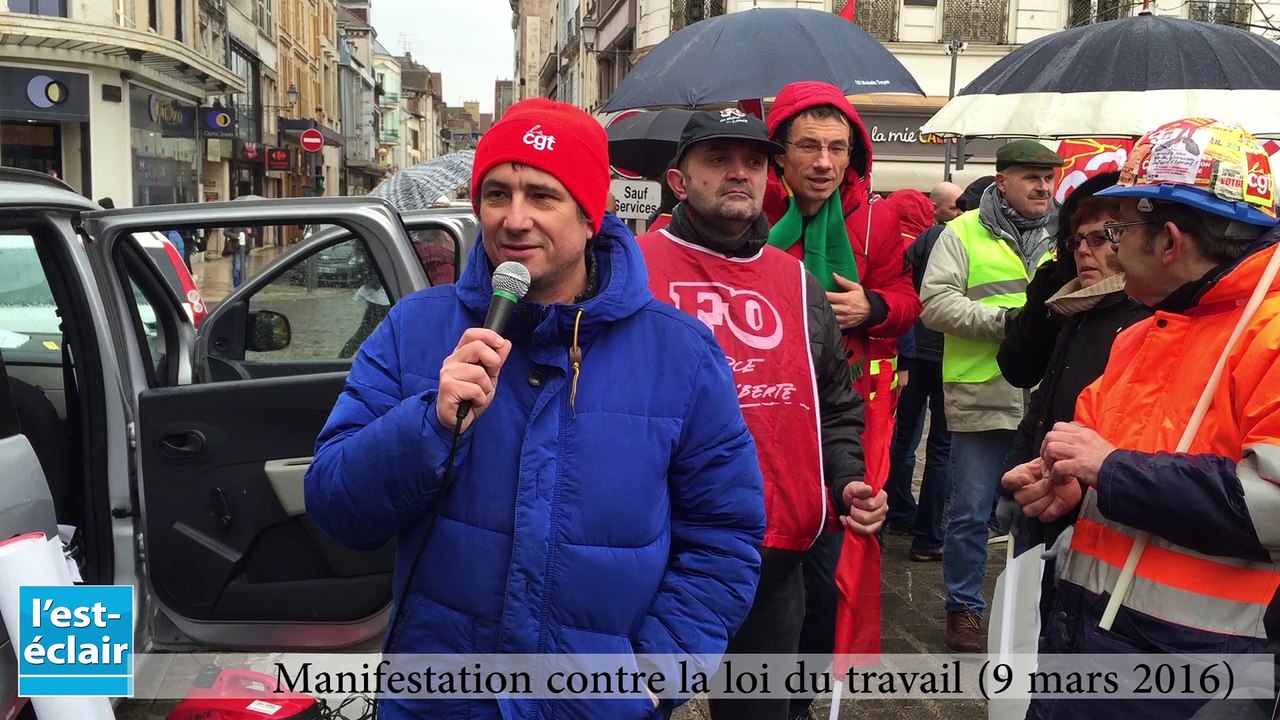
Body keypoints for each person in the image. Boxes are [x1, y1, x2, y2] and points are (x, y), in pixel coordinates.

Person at [304, 98, 767, 720]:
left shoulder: (679, 353)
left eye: (542, 196)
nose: (515, 220)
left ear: (588, 215)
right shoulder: (416, 328)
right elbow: (336, 506)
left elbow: (724, 538)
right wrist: (431, 424)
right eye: (497, 194)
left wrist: (655, 677)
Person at [1004, 118, 1280, 720]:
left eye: (1118, 229)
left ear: (1170, 239)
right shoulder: (1143, 333)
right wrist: (1070, 485)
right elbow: (1104, 464)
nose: (1109, 245)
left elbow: (1272, 507)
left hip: (1201, 679)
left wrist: (1110, 468)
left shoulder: (1271, 335)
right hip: (1083, 649)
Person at [637, 109, 885, 720]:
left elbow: (835, 402)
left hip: (773, 559)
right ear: (678, 180)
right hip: (656, 559)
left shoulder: (797, 281)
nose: (739, 174)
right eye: (718, 160)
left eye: (752, 161)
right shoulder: (630, 269)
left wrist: (846, 478)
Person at [760, 81, 921, 720]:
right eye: (808, 147)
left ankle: (801, 696)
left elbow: (909, 301)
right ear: (780, 155)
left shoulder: (877, 221)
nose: (825, 162)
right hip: (762, 411)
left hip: (840, 412)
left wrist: (873, 307)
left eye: (837, 147)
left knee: (828, 569)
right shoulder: (748, 211)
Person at [919, 139, 1061, 652]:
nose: (1043, 186)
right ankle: (964, 609)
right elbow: (934, 305)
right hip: (983, 393)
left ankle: (1032, 611)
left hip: (1049, 400)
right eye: (1031, 177)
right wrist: (1009, 325)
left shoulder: (1067, 236)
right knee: (972, 513)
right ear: (1002, 181)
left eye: (1050, 177)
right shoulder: (961, 232)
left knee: (1042, 511)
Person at [995, 171, 1151, 631]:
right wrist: (1016, 471)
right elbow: (1042, 403)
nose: (1085, 249)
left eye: (1102, 238)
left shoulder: (1145, 320)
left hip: (1094, 510)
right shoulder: (1075, 308)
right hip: (1045, 497)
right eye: (1077, 239)